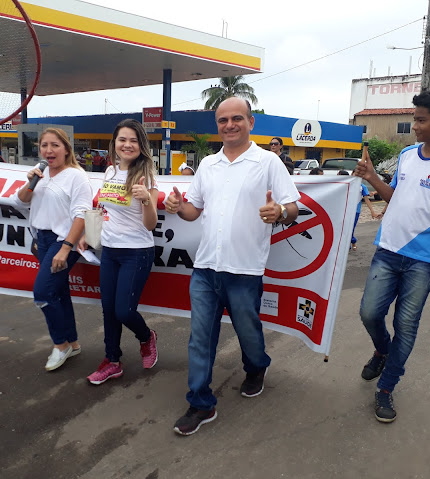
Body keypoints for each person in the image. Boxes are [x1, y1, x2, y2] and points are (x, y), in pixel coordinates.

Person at [165, 97, 300, 436]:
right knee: (200, 339)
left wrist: (280, 212)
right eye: (223, 120)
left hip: (245, 270)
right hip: (205, 267)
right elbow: (194, 210)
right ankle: (200, 403)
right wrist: (178, 207)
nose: (229, 125)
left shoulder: (268, 162)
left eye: (236, 118)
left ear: (250, 122)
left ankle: (257, 367)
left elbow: (293, 208)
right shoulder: (208, 164)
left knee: (248, 332)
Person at [353, 85, 430, 423]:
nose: (415, 126)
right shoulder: (408, 154)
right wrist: (372, 177)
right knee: (369, 313)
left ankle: (386, 387)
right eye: (414, 119)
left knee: (406, 325)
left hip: (424, 261)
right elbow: (396, 196)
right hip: (388, 250)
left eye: (421, 120)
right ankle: (382, 350)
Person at [81, 119, 159, 385]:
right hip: (110, 251)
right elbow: (105, 210)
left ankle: (147, 337)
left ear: (141, 145)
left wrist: (146, 199)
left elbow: (150, 225)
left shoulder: (147, 175)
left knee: (124, 311)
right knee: (108, 310)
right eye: (122, 139)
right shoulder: (110, 171)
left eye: (133, 140)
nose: (127, 145)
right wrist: (88, 234)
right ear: (114, 143)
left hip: (137, 252)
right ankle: (112, 361)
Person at [16, 128, 93, 371]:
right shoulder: (40, 174)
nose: (49, 150)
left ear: (66, 149)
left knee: (43, 294)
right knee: (59, 292)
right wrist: (31, 182)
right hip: (42, 239)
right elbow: (20, 201)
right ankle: (73, 342)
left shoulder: (76, 177)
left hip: (64, 240)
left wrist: (66, 248)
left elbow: (82, 215)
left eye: (55, 145)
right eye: (44, 145)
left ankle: (60, 345)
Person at [337, 170, 378, 250]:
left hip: (355, 211)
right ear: (352, 174)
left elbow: (367, 200)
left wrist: (372, 211)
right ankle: (348, 243)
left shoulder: (362, 187)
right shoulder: (346, 185)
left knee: (351, 228)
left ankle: (352, 241)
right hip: (344, 210)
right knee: (343, 228)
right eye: (355, 174)